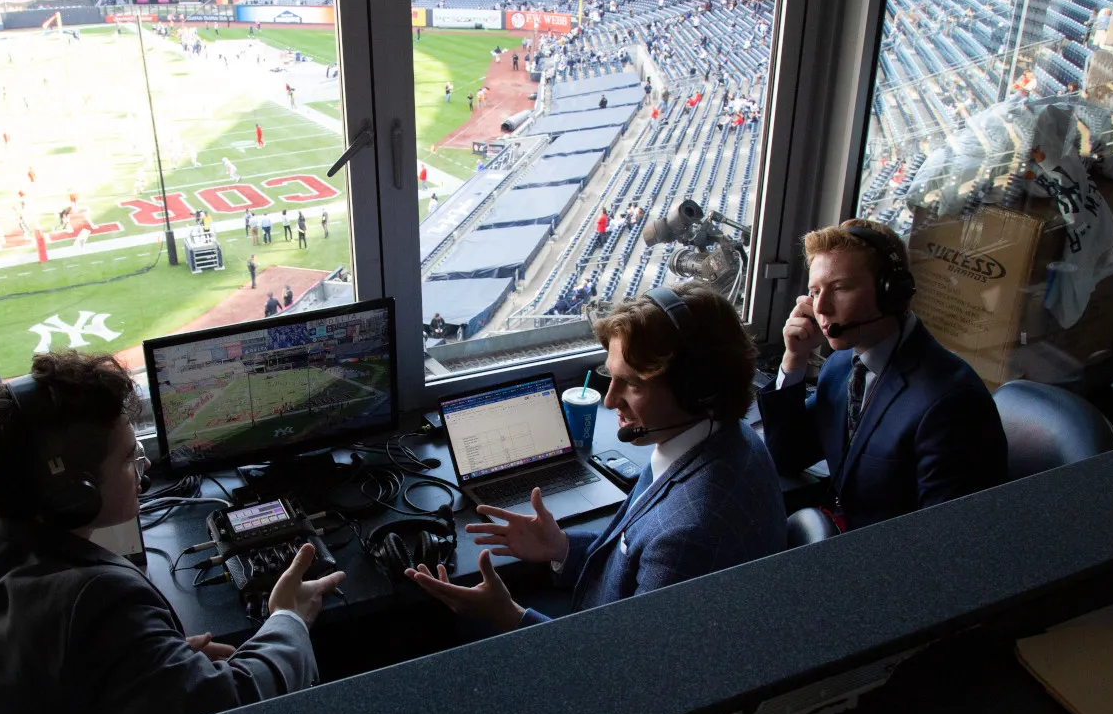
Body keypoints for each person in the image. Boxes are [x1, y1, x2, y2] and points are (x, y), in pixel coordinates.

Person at [0, 352, 341, 714]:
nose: (141, 467)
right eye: (126, 458)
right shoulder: (98, 599)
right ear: (73, 492)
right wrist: (288, 617)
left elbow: (37, 693)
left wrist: (148, 664)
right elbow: (236, 708)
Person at [405, 283, 786, 630]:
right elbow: (628, 552)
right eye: (610, 374)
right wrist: (561, 547)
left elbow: (623, 665)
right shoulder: (725, 438)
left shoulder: (689, 537)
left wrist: (508, 617)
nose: (609, 399)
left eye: (633, 383)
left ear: (697, 390)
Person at [757, 219, 1008, 530]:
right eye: (814, 290)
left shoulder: (951, 404)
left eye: (840, 288)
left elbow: (946, 538)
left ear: (892, 293)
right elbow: (787, 456)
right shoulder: (840, 366)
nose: (820, 307)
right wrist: (794, 359)